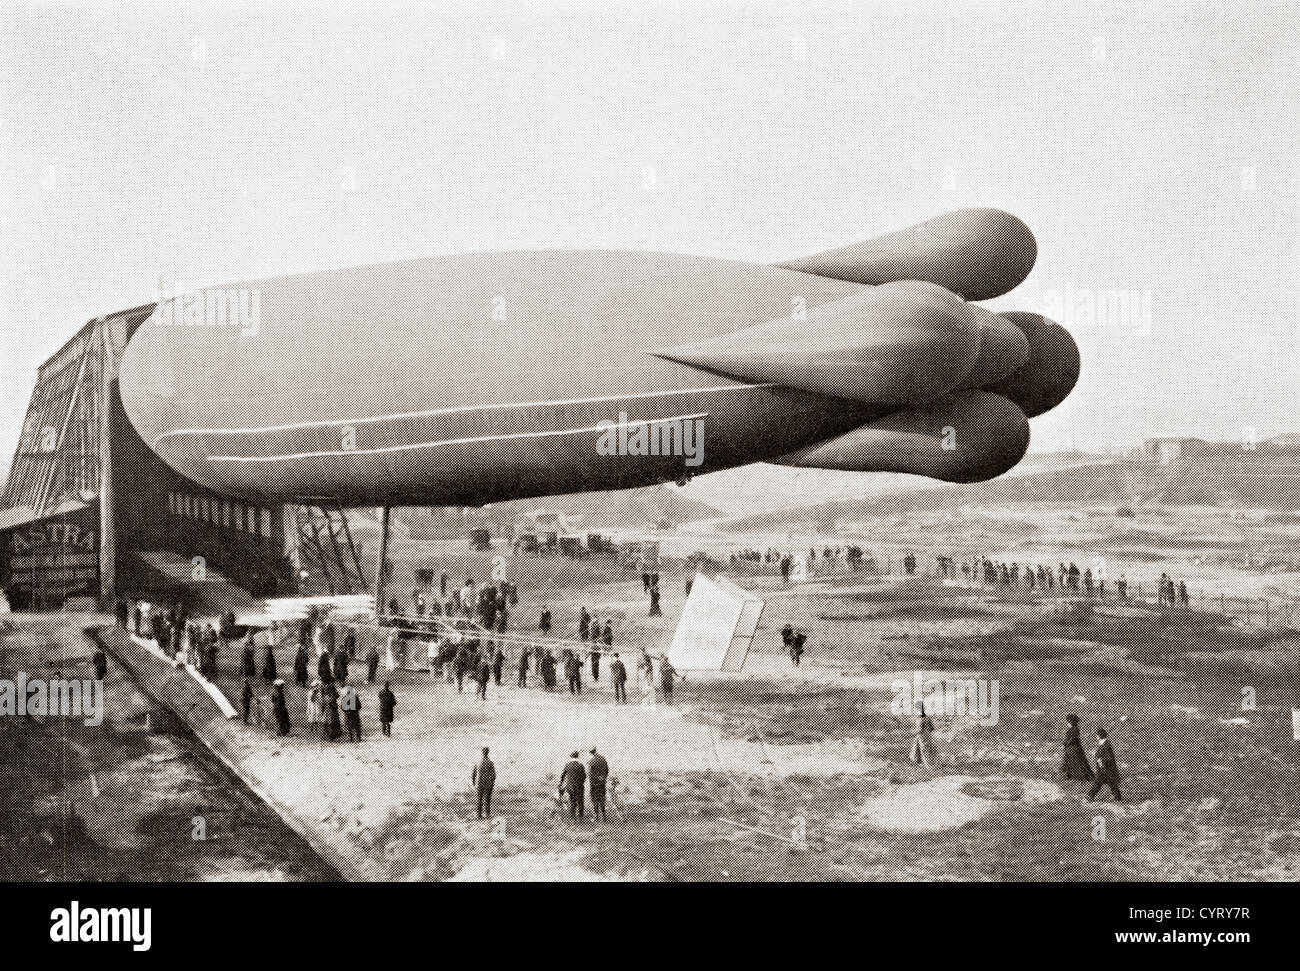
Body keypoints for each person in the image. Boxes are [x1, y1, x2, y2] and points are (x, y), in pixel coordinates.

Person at [1088, 728, 1123, 802]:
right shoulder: (1103, 743)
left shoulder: (1106, 745)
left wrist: (1101, 760)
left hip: (1107, 768)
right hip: (1103, 768)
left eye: (1096, 735)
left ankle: (1090, 796)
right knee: (1107, 783)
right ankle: (1118, 798)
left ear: (1100, 736)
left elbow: (1109, 757)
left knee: (1107, 783)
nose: (1096, 736)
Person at [1061, 713, 1094, 781]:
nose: (1067, 723)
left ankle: (1081, 777)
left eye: (1068, 722)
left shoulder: (1074, 729)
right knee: (1072, 762)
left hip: (1073, 748)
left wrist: (1066, 743)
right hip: (1071, 748)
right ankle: (1070, 776)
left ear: (1070, 722)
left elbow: (1073, 739)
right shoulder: (1073, 729)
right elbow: (1070, 738)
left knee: (1077, 763)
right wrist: (1066, 743)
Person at [560, 751, 586, 820]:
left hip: (570, 786)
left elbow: (562, 776)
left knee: (572, 801)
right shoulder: (580, 765)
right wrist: (581, 782)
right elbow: (584, 776)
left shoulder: (567, 765)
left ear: (571, 757)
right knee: (580, 801)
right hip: (579, 786)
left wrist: (561, 784)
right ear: (578, 757)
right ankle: (581, 817)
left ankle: (572, 818)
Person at [473, 747, 495, 819]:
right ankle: (487, 814)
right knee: (487, 799)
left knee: (479, 799)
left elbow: (473, 774)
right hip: (487, 783)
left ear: (482, 752)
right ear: (488, 752)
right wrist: (492, 783)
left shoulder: (477, 762)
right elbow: (494, 775)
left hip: (479, 783)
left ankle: (479, 815)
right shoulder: (490, 762)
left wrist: (474, 783)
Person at [588, 747, 609, 822]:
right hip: (602, 783)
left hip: (594, 784)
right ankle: (604, 816)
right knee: (602, 799)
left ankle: (596, 816)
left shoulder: (591, 761)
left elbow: (590, 774)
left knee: (595, 800)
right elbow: (607, 770)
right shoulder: (603, 759)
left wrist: (597, 778)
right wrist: (603, 778)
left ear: (590, 752)